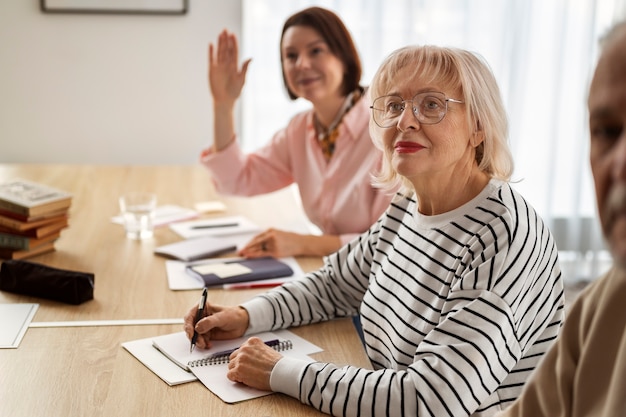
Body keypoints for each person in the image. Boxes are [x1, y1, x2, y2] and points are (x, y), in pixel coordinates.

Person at [184, 44, 565, 417]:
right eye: (394, 105)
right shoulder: (408, 204)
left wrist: (280, 371)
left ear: (479, 127)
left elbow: (432, 400)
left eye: (431, 104)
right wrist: (248, 315)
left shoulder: (503, 236)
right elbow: (337, 284)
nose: (405, 121)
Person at [494, 21, 626, 417]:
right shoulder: (606, 303)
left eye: (431, 105)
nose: (619, 163)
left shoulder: (501, 224)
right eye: (606, 132)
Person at [201, 7, 393, 258]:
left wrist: (303, 244)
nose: (301, 64)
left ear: (343, 56)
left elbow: (391, 242)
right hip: (334, 273)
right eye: (291, 56)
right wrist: (223, 106)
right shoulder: (300, 131)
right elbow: (237, 179)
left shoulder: (388, 128)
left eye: (316, 51)